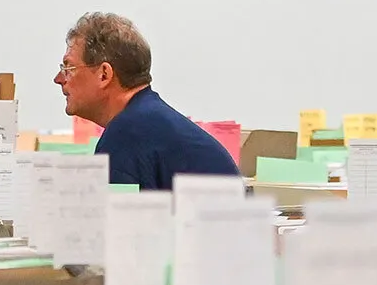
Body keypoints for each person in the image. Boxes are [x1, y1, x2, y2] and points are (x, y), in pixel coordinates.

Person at [54, 11, 239, 188]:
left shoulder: (127, 133)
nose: (58, 79)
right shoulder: (148, 120)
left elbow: (114, 219)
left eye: (69, 68)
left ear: (104, 75)